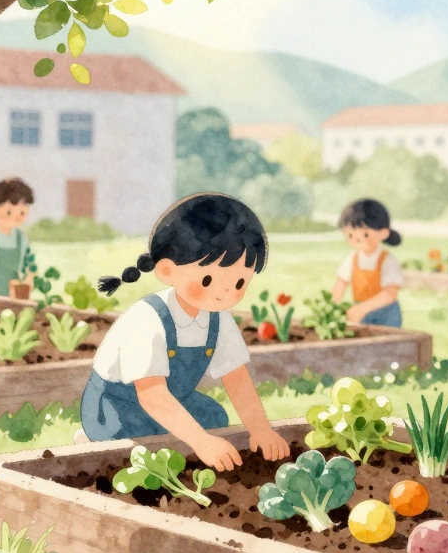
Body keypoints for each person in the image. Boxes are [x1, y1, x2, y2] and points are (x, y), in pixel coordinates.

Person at [76, 193, 289, 471]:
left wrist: (260, 429)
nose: (225, 291)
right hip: (116, 403)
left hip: (173, 397)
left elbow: (236, 377)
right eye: (209, 279)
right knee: (137, 446)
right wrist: (201, 442)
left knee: (215, 418)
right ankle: (89, 438)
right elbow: (151, 393)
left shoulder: (218, 319)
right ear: (166, 271)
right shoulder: (146, 318)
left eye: (239, 282)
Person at [331, 198, 405, 327]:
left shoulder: (387, 260)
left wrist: (362, 309)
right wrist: (331, 307)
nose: (358, 239)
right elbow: (341, 283)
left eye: (365, 235)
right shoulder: (352, 258)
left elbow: (390, 294)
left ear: (384, 233)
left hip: (385, 315)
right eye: (350, 235)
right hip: (360, 313)